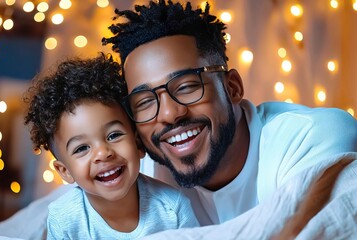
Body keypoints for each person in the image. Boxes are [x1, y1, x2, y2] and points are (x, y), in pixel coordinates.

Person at [102, 0, 357, 228]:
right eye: (145, 101)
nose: (169, 114)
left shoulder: (312, 135)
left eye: (187, 86)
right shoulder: (138, 173)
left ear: (232, 87)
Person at [23, 53, 199, 239]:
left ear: (138, 143)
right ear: (65, 170)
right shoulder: (64, 219)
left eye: (113, 135)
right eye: (82, 148)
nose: (102, 153)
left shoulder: (173, 208)